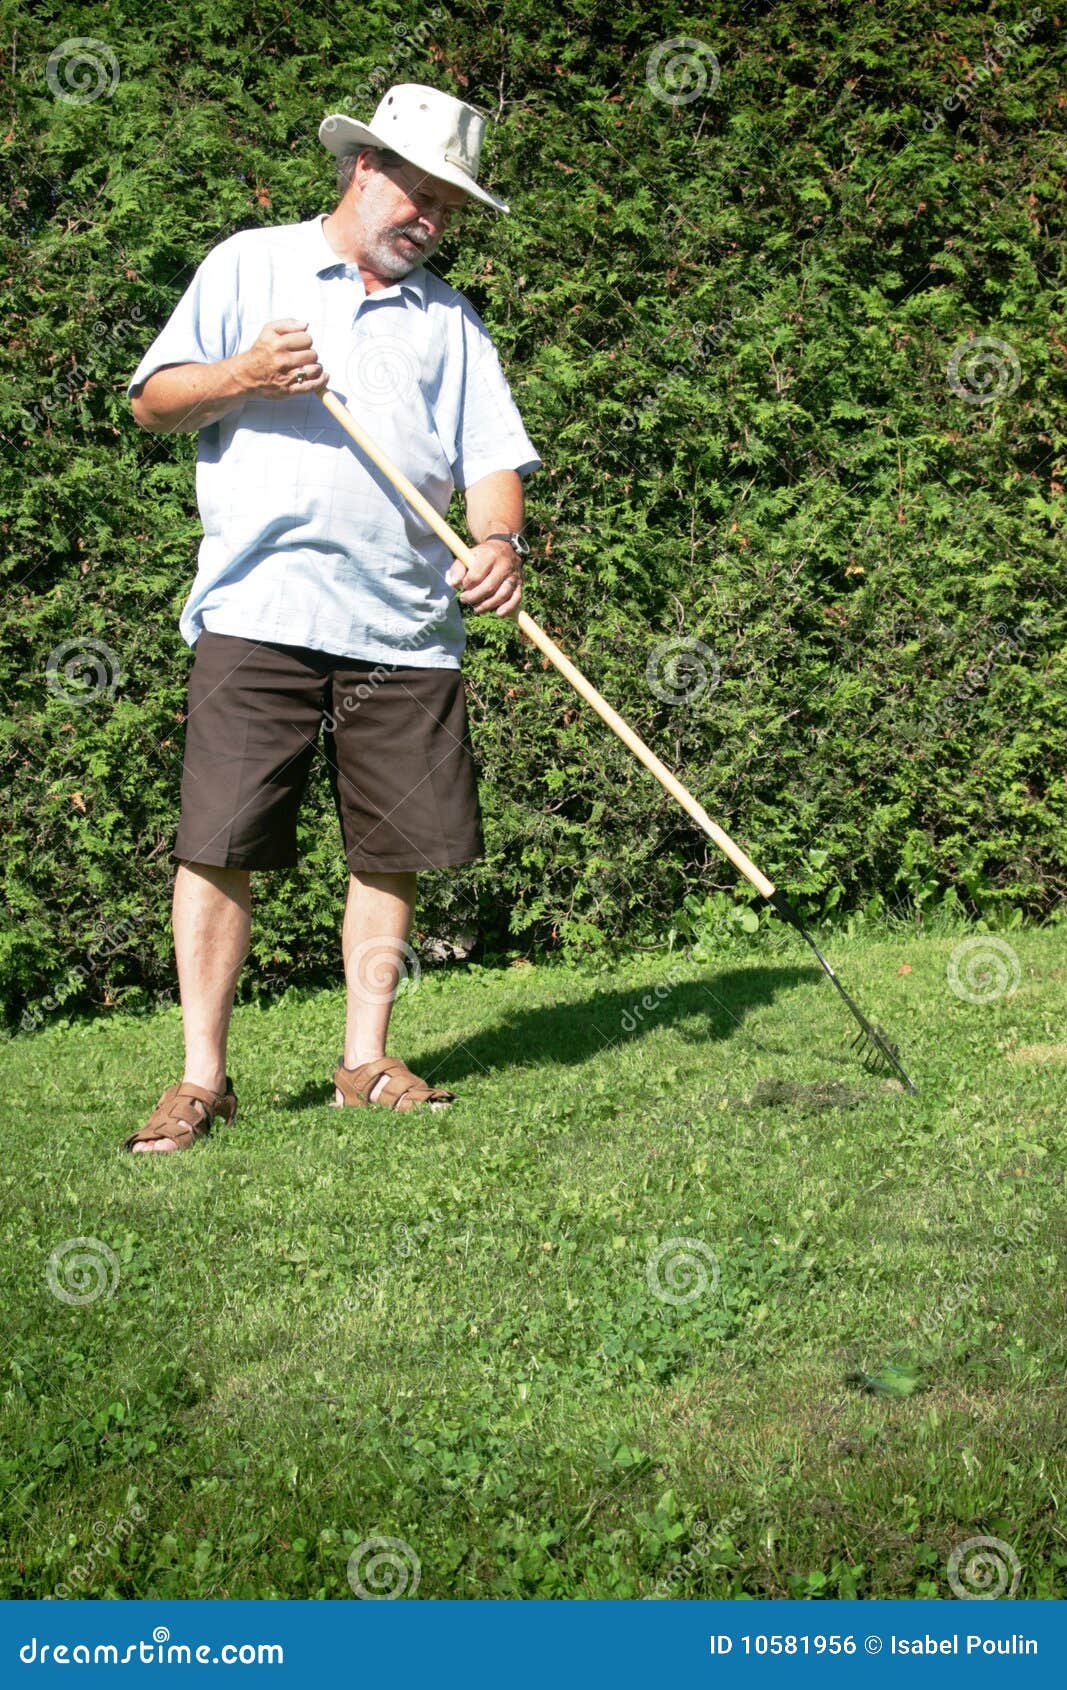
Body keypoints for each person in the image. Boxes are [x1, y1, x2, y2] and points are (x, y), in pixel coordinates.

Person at [122, 84, 540, 1152]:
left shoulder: (450, 322)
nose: (433, 223)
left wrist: (498, 544)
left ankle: (364, 1061)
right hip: (261, 604)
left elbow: (494, 462)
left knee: (389, 847)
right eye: (423, 197)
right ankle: (200, 1079)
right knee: (220, 840)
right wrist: (245, 375)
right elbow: (153, 401)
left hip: (403, 625)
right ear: (364, 171)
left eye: (449, 208)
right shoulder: (247, 264)